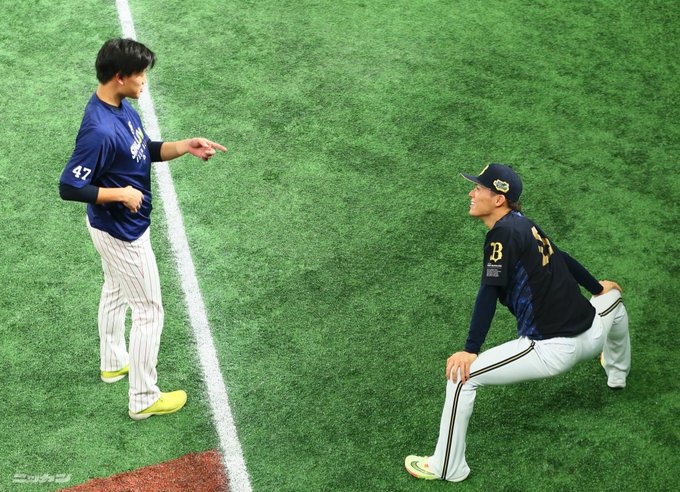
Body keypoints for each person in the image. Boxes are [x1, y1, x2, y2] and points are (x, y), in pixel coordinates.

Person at [405, 163, 630, 482]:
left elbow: (488, 290)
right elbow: (562, 256)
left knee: (461, 378)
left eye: (478, 189)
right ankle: (617, 372)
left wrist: (470, 349)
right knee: (614, 300)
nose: (471, 193)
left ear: (498, 199)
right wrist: (596, 288)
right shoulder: (524, 223)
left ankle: (447, 466)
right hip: (593, 333)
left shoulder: (502, 234)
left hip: (552, 351)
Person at [59, 38, 227, 420]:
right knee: (149, 310)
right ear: (119, 76)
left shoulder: (120, 106)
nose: (144, 81)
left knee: (116, 289)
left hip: (111, 227)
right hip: (123, 232)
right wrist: (119, 193)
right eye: (140, 75)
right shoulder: (99, 130)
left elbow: (143, 150)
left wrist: (184, 145)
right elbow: (69, 186)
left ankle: (113, 362)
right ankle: (143, 397)